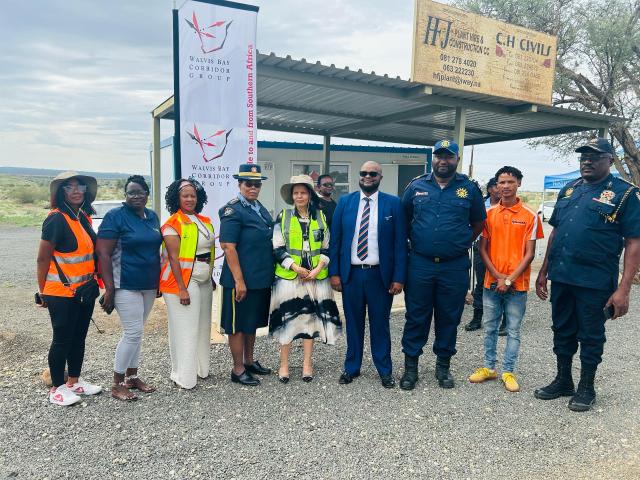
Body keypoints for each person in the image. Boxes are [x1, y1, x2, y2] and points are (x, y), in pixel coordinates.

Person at [534, 138, 640, 412]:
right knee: (562, 329)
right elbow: (556, 230)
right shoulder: (569, 190)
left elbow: (633, 242)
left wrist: (624, 288)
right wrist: (544, 270)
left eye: (595, 157)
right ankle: (563, 380)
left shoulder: (625, 194)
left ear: (610, 160)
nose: (587, 161)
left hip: (594, 281)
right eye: (583, 157)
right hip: (562, 276)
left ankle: (587, 387)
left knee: (591, 335)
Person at [400, 140, 486, 390]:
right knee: (416, 316)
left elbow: (479, 223)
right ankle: (410, 369)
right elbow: (405, 220)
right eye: (439, 156)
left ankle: (443, 368)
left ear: (456, 160)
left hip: (454, 266)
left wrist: (460, 243)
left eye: (449, 156)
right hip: (420, 264)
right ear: (433, 158)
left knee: (449, 316)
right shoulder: (416, 187)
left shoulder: (469, 189)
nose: (443, 161)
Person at [329, 161, 407, 388]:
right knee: (352, 323)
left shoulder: (393, 204)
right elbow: (336, 241)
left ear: (380, 177)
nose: (367, 176)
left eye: (373, 173)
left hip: (379, 277)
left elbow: (400, 244)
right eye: (363, 173)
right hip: (351, 275)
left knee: (380, 324)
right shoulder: (345, 202)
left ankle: (384, 370)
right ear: (359, 176)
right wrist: (334, 273)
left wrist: (399, 277)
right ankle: (351, 367)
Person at [468, 166, 543, 392]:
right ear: (496, 186)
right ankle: (489, 368)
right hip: (492, 282)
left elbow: (530, 254)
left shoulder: (530, 216)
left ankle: (508, 371)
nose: (506, 186)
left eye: (510, 182)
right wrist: (499, 276)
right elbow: (483, 249)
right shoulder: (488, 214)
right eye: (502, 182)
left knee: (513, 330)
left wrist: (509, 280)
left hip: (517, 285)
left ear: (518, 183)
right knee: (490, 327)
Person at [36, 171, 102, 406]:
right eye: (69, 187)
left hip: (83, 291)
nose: (76, 190)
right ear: (61, 193)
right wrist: (41, 291)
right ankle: (57, 388)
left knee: (79, 337)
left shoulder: (81, 217)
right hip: (60, 292)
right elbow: (43, 259)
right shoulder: (56, 219)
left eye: (80, 186)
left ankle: (74, 381)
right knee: (62, 339)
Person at [269, 175, 341, 383]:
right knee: (288, 321)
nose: (299, 196)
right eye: (296, 192)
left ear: (309, 194)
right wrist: (295, 267)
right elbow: (277, 247)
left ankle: (307, 364)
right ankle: (284, 365)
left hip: (315, 278)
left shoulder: (320, 217)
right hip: (290, 277)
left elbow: (327, 246)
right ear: (292, 196)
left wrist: (319, 267)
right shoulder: (283, 216)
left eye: (303, 192)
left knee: (310, 321)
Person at [96, 175, 162, 401]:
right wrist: (110, 289)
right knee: (132, 332)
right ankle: (117, 384)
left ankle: (132, 377)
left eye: (140, 192)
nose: (136, 196)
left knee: (138, 332)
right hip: (125, 284)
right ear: (125, 195)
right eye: (131, 192)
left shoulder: (152, 217)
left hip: (149, 284)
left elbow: (156, 251)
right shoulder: (116, 217)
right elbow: (103, 253)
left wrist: (159, 282)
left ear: (147, 194)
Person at [219, 164, 274, 386]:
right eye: (248, 184)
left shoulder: (257, 207)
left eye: (257, 184)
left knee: (251, 323)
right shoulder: (233, 210)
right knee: (238, 325)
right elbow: (228, 247)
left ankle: (249, 362)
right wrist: (239, 281)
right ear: (239, 185)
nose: (253, 187)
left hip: (259, 278)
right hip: (239, 281)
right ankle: (238, 368)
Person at [160, 178, 215, 390]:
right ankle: (183, 376)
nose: (190, 199)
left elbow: (208, 252)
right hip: (182, 280)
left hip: (203, 277)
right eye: (185, 195)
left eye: (193, 195)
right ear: (177, 198)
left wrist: (210, 277)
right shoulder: (172, 224)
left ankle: (201, 369)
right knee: (186, 328)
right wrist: (181, 288)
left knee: (202, 326)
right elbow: (173, 258)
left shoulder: (204, 220)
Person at [465, 177, 503, 332]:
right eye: (496, 185)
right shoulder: (481, 205)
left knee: (503, 282)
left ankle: (505, 319)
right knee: (481, 283)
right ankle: (477, 317)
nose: (500, 188)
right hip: (482, 248)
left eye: (502, 185)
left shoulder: (507, 206)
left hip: (502, 249)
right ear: (489, 189)